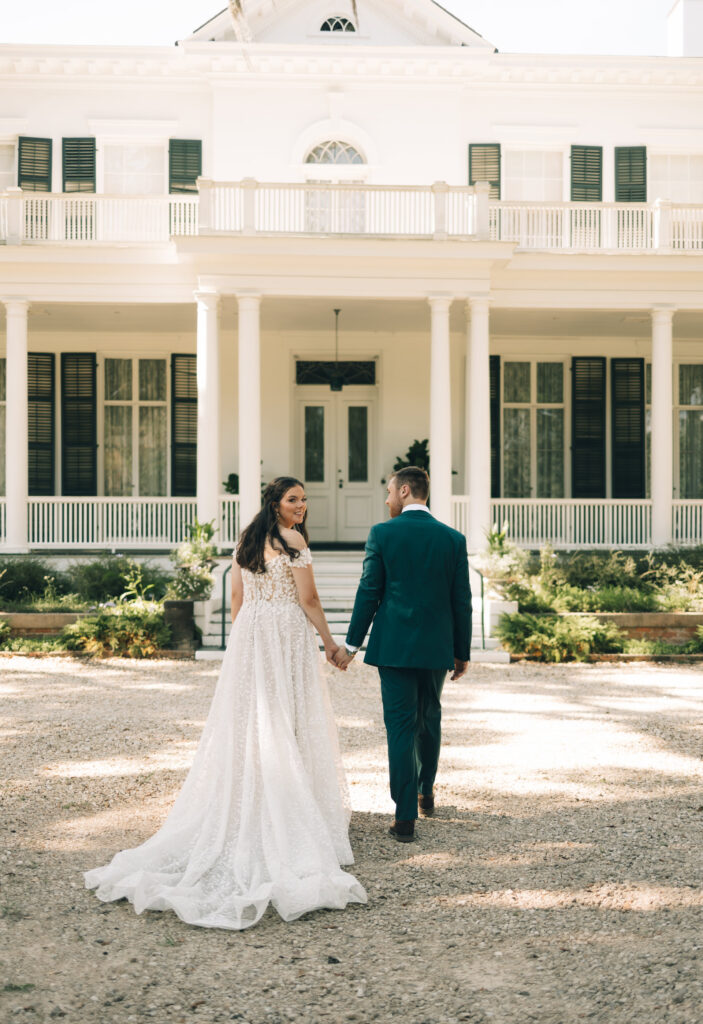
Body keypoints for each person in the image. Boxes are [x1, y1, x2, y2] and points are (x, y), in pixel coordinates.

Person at [85, 477, 367, 929]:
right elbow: (309, 598)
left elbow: (237, 601)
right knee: (284, 717)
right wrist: (330, 644)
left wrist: (246, 644)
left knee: (256, 719)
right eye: (294, 499)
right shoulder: (291, 540)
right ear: (275, 504)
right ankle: (284, 810)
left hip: (253, 632)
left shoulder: (246, 542)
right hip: (283, 632)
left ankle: (253, 793)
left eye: (304, 500)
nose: (302, 507)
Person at [335, 467, 472, 843]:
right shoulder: (453, 539)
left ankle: (405, 815)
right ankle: (426, 791)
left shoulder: (382, 534)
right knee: (429, 718)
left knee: (399, 726)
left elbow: (369, 592)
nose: (386, 498)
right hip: (436, 646)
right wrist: (462, 651)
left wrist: (351, 645)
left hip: (394, 646)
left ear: (406, 491)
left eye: (389, 491)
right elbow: (462, 600)